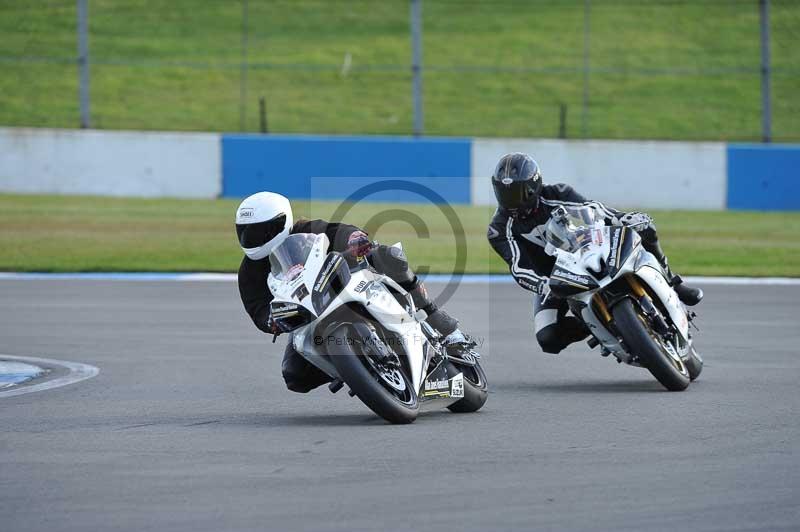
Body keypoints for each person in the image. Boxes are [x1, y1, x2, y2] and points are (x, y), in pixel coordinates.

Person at [236, 191, 477, 393]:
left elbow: (339, 231)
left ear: (281, 223)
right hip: (309, 314)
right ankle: (356, 368)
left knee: (388, 255)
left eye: (260, 231)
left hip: (345, 282)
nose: (252, 238)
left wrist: (355, 238)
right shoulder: (249, 271)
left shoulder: (307, 229)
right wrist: (272, 322)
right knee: (295, 377)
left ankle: (439, 320)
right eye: (245, 232)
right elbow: (258, 309)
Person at [487, 152, 703, 355]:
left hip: (588, 250)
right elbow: (518, 266)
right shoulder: (499, 230)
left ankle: (674, 283)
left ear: (534, 186)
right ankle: (594, 324)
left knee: (646, 230)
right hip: (554, 281)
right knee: (548, 338)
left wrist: (621, 218)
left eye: (516, 192)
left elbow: (594, 208)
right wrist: (542, 284)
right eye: (504, 193)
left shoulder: (557, 193)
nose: (511, 200)